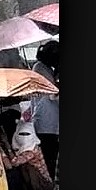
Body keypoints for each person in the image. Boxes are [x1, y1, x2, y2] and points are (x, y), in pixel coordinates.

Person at [2, 120, 54, 190]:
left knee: (28, 168)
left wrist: (6, 146)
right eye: (22, 134)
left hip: (43, 186)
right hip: (33, 183)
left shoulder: (32, 150)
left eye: (27, 134)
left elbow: (14, 163)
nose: (24, 137)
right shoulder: (20, 149)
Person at [30, 40, 59, 180]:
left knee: (51, 154)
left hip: (50, 121)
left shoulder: (46, 68)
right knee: (49, 156)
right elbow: (52, 92)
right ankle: (47, 185)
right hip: (46, 121)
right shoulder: (40, 68)